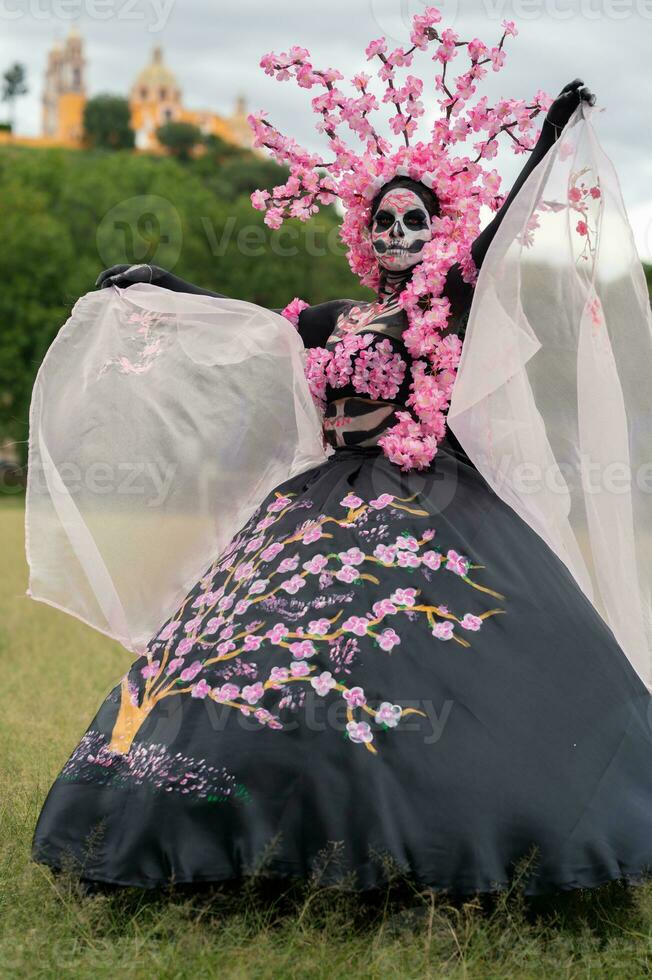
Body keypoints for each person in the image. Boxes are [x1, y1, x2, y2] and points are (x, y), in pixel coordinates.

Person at [30, 9, 652, 896]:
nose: (399, 233)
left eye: (415, 220)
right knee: (270, 659)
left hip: (433, 501)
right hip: (321, 498)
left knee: (440, 662)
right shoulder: (324, 320)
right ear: (365, 232)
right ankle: (251, 833)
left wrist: (548, 139)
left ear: (435, 229)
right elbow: (247, 329)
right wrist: (161, 285)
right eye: (385, 220)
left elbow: (501, 236)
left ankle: (454, 834)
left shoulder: (450, 301)